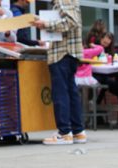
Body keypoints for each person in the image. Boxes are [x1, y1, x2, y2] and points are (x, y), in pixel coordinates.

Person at [32, 0, 86, 145]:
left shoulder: (63, 0)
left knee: (60, 93)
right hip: (69, 53)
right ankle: (78, 132)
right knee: (71, 92)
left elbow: (71, 22)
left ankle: (64, 133)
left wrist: (46, 24)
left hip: (62, 53)